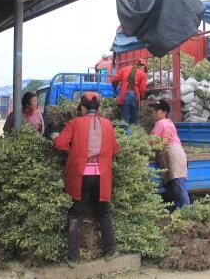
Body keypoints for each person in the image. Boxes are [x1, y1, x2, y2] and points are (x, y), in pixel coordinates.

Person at [53, 92, 119, 267]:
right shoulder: (107, 124)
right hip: (102, 177)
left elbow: (59, 143)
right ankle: (110, 250)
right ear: (98, 108)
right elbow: (115, 150)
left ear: (82, 108)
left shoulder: (75, 123)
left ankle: (73, 258)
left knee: (76, 215)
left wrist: (70, 148)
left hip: (81, 176)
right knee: (103, 213)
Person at [150, 100, 190, 208]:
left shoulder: (161, 123)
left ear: (164, 112)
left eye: (156, 110)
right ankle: (181, 212)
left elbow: (163, 142)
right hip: (177, 154)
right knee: (177, 187)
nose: (154, 112)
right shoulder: (168, 122)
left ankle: (188, 214)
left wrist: (148, 149)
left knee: (179, 186)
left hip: (174, 156)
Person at [112, 58, 148, 125]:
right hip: (135, 97)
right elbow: (143, 89)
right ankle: (136, 132)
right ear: (143, 66)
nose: (144, 71)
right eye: (145, 69)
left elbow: (114, 80)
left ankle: (125, 134)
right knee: (135, 119)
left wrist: (115, 88)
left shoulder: (124, 69)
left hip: (124, 96)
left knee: (125, 119)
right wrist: (142, 98)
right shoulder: (143, 74)